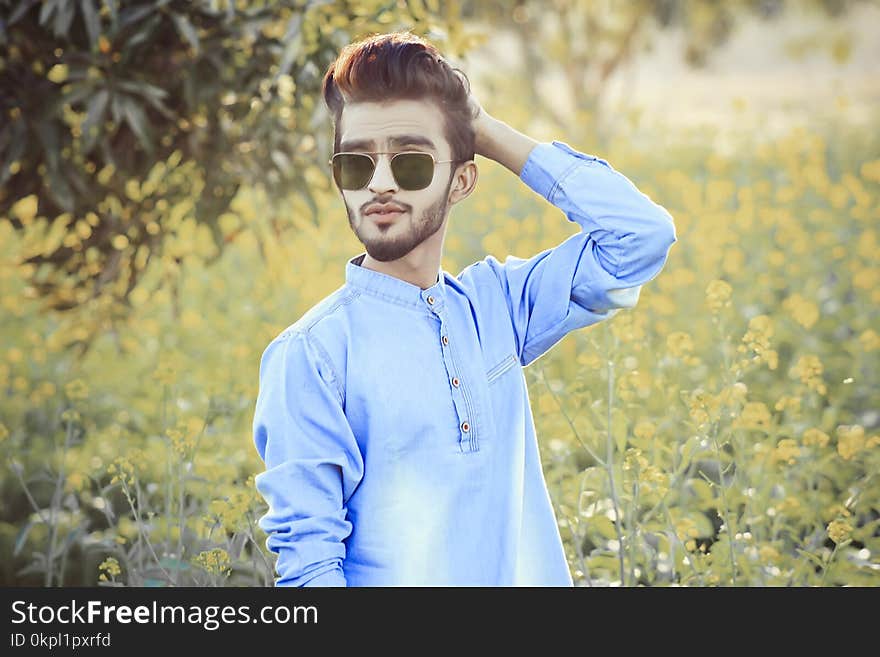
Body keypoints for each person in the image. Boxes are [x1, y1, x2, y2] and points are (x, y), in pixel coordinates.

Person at [251, 30, 677, 586]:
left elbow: (640, 236)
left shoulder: (495, 307)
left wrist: (488, 133)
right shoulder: (312, 354)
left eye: (411, 162)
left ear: (462, 180)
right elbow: (310, 570)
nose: (378, 184)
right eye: (356, 164)